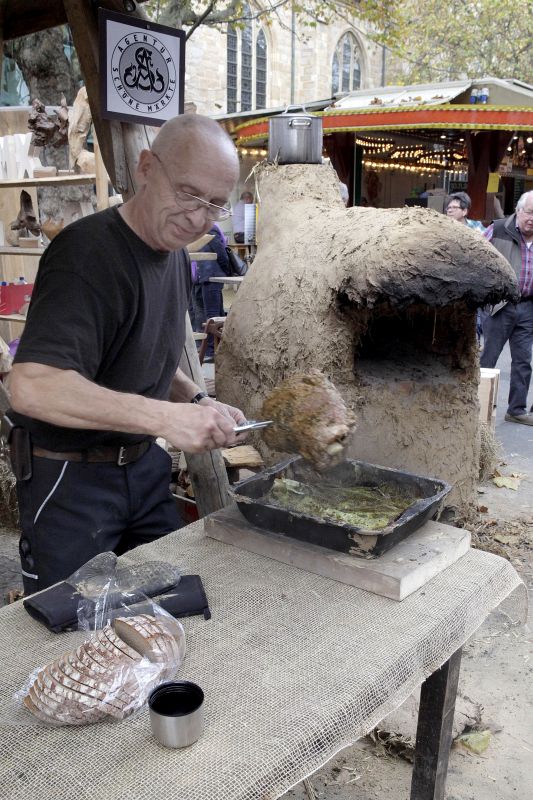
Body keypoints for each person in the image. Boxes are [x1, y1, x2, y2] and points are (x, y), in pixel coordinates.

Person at [6, 114, 247, 594]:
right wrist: (165, 418)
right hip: (71, 479)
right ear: (146, 168)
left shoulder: (175, 254)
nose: (198, 218)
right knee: (70, 620)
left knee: (174, 600)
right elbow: (31, 386)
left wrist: (197, 400)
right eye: (188, 193)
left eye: (215, 205)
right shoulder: (86, 255)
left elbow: (146, 351)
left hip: (142, 468)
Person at [480, 190, 533, 425]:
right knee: (488, 358)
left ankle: (516, 409)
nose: (532, 218)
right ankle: (475, 405)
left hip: (528, 306)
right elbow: (477, 255)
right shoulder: (499, 229)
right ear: (518, 211)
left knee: (523, 361)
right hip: (500, 304)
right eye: (529, 212)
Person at [190, 223, 229, 362]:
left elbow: (220, 253)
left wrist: (225, 271)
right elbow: (221, 253)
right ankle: (208, 349)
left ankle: (211, 350)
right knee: (207, 314)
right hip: (205, 276)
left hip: (205, 276)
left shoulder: (204, 227)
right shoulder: (208, 227)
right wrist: (227, 270)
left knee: (210, 315)